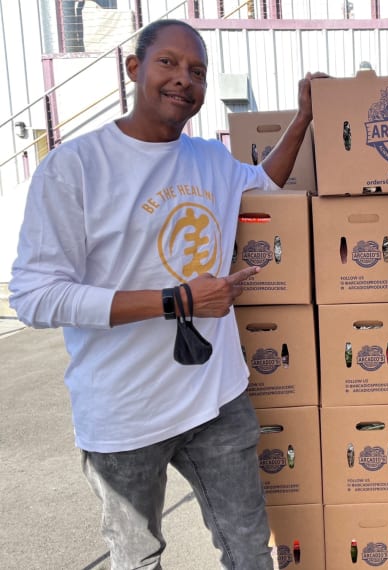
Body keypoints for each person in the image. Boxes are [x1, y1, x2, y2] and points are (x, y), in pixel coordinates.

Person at [10, 18, 322, 570]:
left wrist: (304, 117)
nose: (185, 80)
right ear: (134, 69)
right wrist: (175, 300)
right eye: (169, 63)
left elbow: (266, 184)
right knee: (139, 560)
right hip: (125, 415)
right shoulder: (75, 168)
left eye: (197, 71)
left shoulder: (208, 161)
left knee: (249, 550)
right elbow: (35, 297)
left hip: (216, 398)